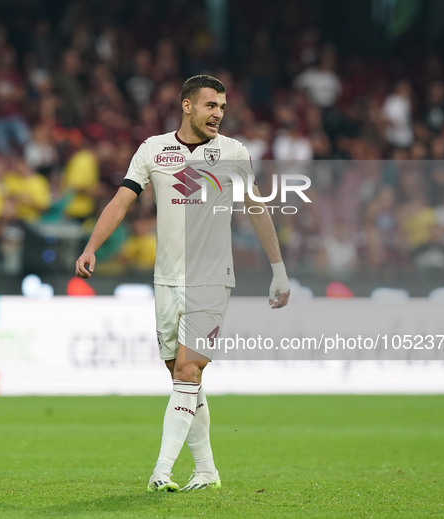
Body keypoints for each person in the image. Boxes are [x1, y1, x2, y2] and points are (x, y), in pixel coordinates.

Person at [75, 75, 290, 492]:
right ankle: (207, 470)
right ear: (187, 106)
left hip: (211, 278)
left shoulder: (233, 152)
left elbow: (257, 209)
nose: (218, 114)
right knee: (181, 375)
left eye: (223, 108)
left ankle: (161, 470)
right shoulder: (153, 150)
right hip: (167, 278)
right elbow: (122, 201)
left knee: (189, 369)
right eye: (211, 105)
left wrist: (278, 269)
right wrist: (91, 246)